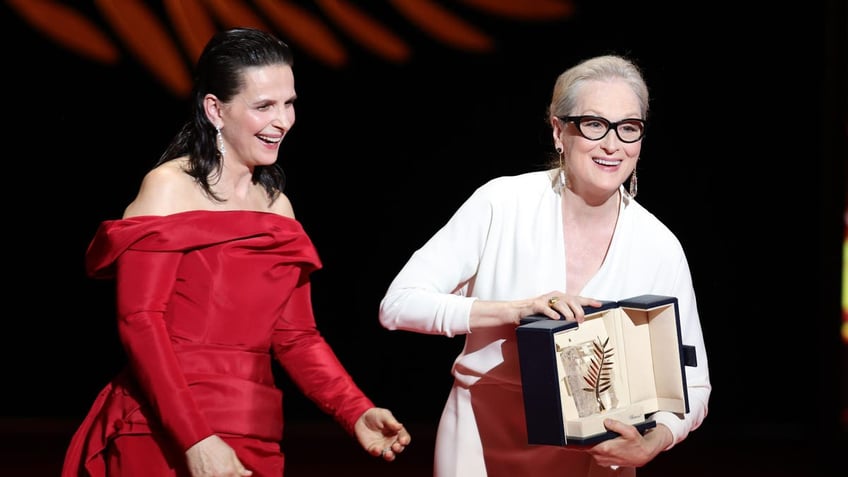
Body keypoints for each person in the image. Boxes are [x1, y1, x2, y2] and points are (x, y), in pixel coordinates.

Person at [62, 27, 410, 477]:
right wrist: (195, 438)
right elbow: (140, 323)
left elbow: (296, 337)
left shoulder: (279, 208)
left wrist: (354, 410)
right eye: (264, 106)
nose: (283, 120)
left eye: (289, 103)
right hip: (165, 430)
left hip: (253, 431)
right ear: (215, 109)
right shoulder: (170, 188)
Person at [378, 54, 710, 477]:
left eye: (628, 128)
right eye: (594, 124)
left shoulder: (658, 246)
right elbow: (398, 305)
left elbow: (695, 382)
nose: (612, 144)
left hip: (596, 461)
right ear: (558, 131)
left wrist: (655, 440)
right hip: (481, 442)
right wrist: (512, 310)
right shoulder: (502, 203)